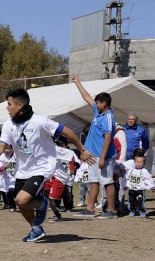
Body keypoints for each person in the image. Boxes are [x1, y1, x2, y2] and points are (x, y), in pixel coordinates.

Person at [0, 88, 92, 242]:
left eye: (9, 104)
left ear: (20, 106)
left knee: (21, 200)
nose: (7, 108)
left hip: (42, 167)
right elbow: (2, 146)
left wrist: (82, 149)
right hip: (22, 169)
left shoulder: (40, 121)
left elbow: (67, 131)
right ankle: (36, 229)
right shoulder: (8, 125)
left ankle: (43, 203)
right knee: (22, 204)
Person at [72, 75, 118, 219]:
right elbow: (86, 97)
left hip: (103, 156)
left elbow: (108, 139)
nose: (95, 104)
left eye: (98, 103)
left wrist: (103, 158)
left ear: (104, 103)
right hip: (92, 155)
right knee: (93, 181)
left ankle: (111, 210)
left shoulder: (108, 117)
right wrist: (77, 82)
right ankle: (90, 209)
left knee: (108, 183)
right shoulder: (98, 112)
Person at [121, 154, 155, 218]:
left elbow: (148, 179)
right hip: (132, 189)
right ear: (134, 162)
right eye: (137, 162)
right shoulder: (131, 170)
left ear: (144, 163)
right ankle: (132, 211)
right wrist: (125, 185)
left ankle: (142, 211)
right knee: (131, 201)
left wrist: (152, 187)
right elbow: (126, 178)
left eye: (141, 162)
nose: (139, 163)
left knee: (141, 201)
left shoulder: (144, 171)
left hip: (140, 190)